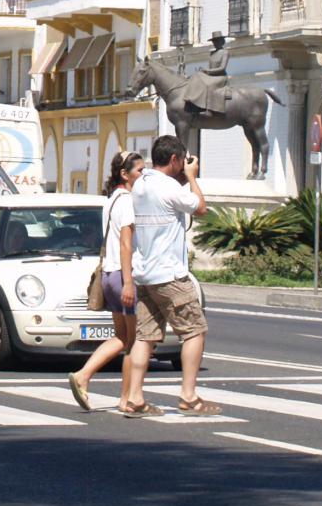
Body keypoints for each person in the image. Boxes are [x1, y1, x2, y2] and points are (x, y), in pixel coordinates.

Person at [122, 133, 218, 416]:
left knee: (145, 336)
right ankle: (189, 395)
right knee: (194, 331)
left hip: (146, 273)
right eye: (181, 161)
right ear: (175, 159)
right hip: (170, 275)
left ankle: (135, 397)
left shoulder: (140, 185)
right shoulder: (169, 187)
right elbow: (200, 208)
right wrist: (192, 177)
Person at [67, 150, 145, 411]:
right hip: (122, 274)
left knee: (123, 338)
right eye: (139, 171)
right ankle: (118, 394)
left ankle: (93, 381)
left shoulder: (111, 200)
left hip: (109, 274)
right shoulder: (127, 201)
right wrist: (129, 281)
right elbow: (125, 243)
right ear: (124, 174)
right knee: (133, 341)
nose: (142, 175)